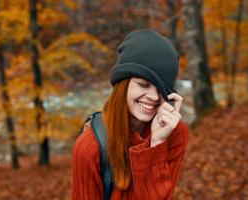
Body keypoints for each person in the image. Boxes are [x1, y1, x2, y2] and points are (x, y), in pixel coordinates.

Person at [71, 29, 189, 200]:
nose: (154, 97)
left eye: (161, 88)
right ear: (123, 84)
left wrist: (156, 144)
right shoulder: (90, 147)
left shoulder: (175, 133)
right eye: (143, 84)